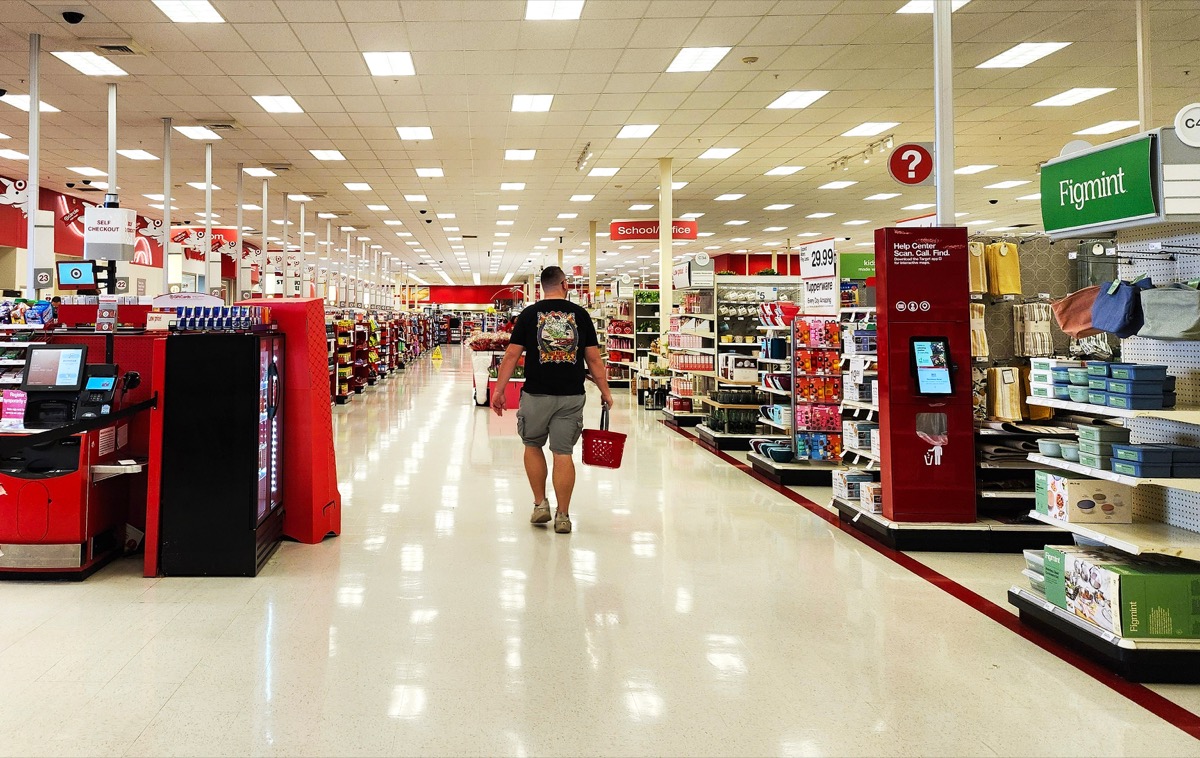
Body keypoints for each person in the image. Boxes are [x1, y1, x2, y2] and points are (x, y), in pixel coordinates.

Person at [492, 266, 613, 534]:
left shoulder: (528, 314)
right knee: (563, 453)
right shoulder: (580, 315)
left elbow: (511, 355)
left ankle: (540, 505)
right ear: (565, 284)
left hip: (536, 394)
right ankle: (563, 516)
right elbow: (593, 359)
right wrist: (606, 391)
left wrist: (499, 391)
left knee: (532, 445)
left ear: (541, 287)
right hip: (571, 396)